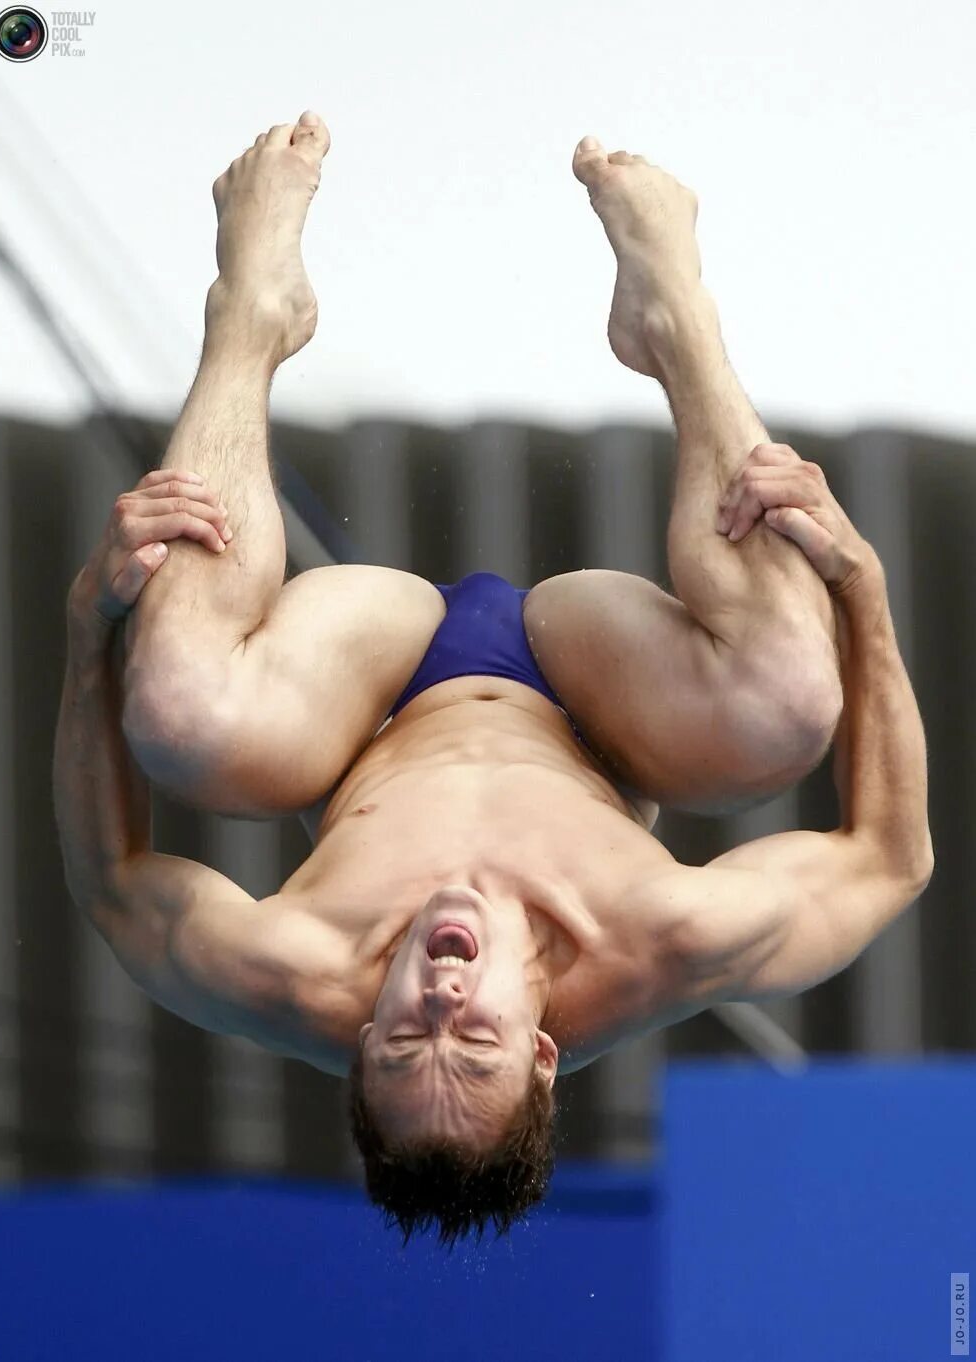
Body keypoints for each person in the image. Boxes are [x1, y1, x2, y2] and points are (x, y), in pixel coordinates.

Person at [53, 112, 933, 1247]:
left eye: (401, 1040)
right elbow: (890, 857)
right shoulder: (666, 938)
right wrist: (860, 587)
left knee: (179, 713)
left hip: (367, 685)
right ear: (544, 1049)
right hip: (593, 693)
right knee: (786, 707)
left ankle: (251, 317)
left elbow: (113, 880)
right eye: (472, 1042)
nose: (437, 1004)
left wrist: (89, 634)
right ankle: (677, 322)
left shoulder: (288, 969)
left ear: (358, 1042)